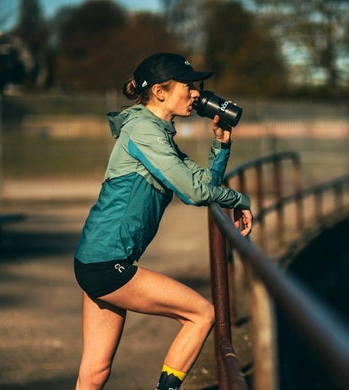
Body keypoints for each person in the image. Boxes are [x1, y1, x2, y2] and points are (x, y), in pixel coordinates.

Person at [73, 52, 253, 390]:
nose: (197, 93)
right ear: (160, 91)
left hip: (96, 258)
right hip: (107, 262)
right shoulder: (144, 131)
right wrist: (240, 199)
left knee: (94, 373)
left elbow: (203, 187)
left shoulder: (156, 134)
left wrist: (220, 146)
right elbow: (194, 193)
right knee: (203, 314)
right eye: (189, 86)